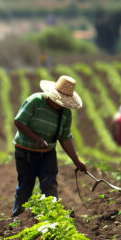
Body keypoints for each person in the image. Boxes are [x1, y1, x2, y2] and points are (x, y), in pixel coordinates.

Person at [12, 75, 87, 217]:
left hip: (48, 152)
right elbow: (19, 122)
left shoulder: (65, 112)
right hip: (25, 150)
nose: (60, 105)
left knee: (50, 183)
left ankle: (53, 215)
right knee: (25, 185)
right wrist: (37, 139)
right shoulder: (35, 101)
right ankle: (18, 216)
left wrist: (76, 161)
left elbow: (65, 138)